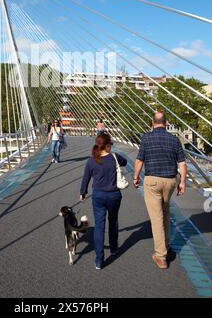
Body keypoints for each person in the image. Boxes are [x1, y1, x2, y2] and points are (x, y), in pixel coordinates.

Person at [134, 111, 187, 270]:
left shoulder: (146, 138)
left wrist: (136, 177)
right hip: (170, 182)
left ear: (152, 123)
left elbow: (139, 160)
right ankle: (167, 245)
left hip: (152, 182)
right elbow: (182, 163)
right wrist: (182, 182)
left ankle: (161, 255)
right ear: (166, 123)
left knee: (156, 218)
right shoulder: (174, 139)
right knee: (165, 213)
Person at [80, 133, 127, 269]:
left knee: (99, 227)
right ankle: (113, 249)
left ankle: (99, 260)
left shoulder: (91, 161)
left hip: (98, 196)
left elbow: (86, 178)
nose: (111, 146)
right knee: (113, 222)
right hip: (114, 196)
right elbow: (124, 162)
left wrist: (82, 193)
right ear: (107, 145)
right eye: (110, 144)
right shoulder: (115, 157)